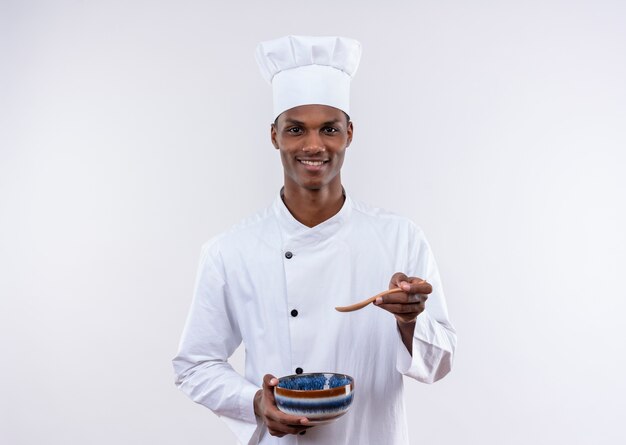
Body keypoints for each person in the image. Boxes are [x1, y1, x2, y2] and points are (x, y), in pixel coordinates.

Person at [173, 35, 456, 445]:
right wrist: (254, 401)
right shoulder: (230, 250)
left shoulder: (400, 237)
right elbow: (194, 365)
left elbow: (441, 361)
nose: (313, 145)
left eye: (329, 129)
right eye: (295, 129)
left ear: (349, 133)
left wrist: (409, 321)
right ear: (274, 136)